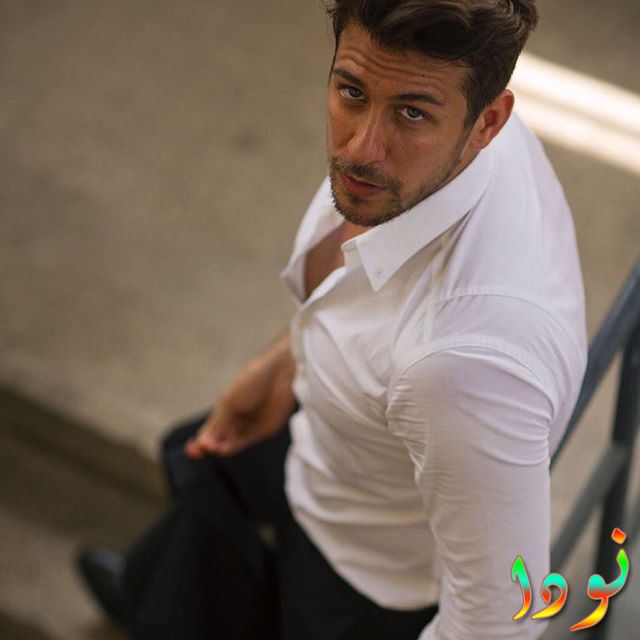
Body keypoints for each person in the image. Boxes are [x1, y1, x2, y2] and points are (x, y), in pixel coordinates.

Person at [77, 1, 588, 638]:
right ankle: (153, 597)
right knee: (197, 485)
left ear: (489, 121)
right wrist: (286, 358)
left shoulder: (464, 366)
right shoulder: (451, 132)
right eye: (351, 91)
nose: (361, 150)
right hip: (330, 440)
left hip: (355, 583)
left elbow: (501, 620)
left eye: (411, 113)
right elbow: (368, 282)